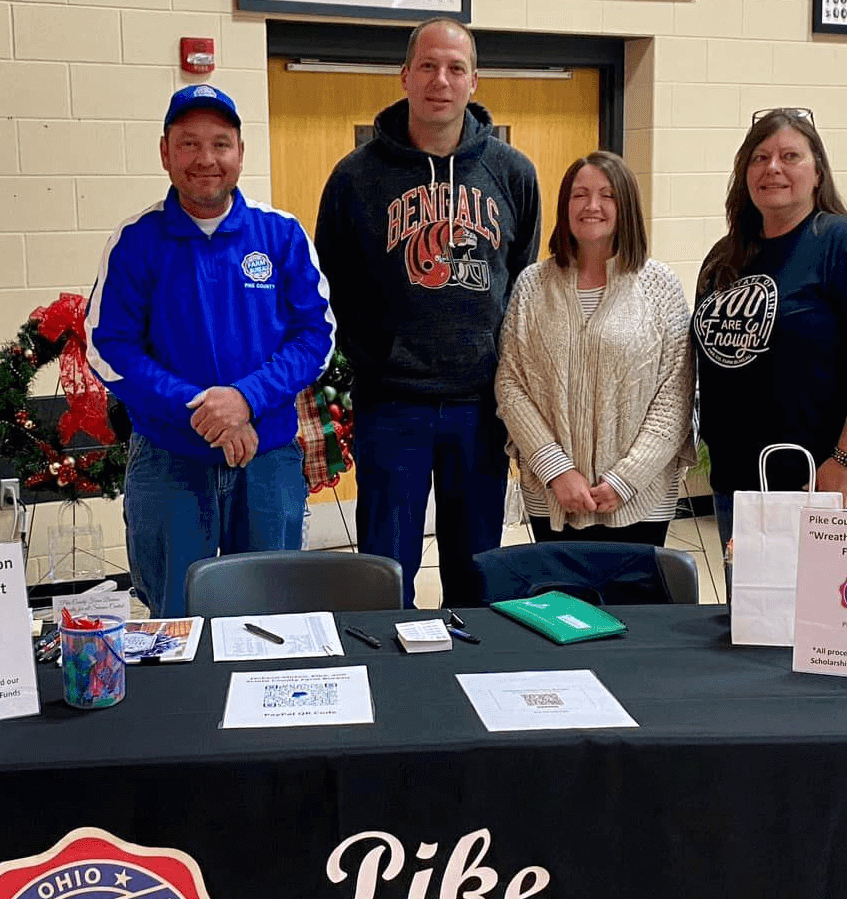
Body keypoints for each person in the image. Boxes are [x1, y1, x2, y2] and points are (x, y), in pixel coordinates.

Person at [315, 17, 540, 607]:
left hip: (480, 407)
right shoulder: (354, 177)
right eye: (428, 66)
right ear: (405, 75)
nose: (441, 80)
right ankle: (392, 684)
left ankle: (467, 685)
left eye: (456, 68)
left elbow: (520, 281)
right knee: (386, 574)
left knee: (476, 571)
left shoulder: (513, 173)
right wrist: (376, 360)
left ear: (473, 81)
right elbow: (334, 284)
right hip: (392, 405)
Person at [89, 85, 335, 618]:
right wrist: (206, 409)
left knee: (272, 612)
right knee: (175, 616)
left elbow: (317, 335)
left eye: (220, 144)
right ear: (165, 152)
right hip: (170, 459)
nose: (206, 159)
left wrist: (246, 401)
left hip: (267, 457)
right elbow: (108, 347)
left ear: (241, 152)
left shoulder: (282, 235)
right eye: (189, 144)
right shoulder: (136, 241)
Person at [692, 109, 847, 550]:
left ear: (817, 173)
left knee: (822, 617)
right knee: (750, 617)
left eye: (790, 156)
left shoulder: (846, 245)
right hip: (739, 485)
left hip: (819, 482)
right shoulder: (724, 257)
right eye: (759, 157)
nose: (773, 168)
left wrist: (845, 464)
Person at [494, 151, 692, 547]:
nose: (592, 206)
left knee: (632, 610)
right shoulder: (533, 285)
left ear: (627, 207)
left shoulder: (659, 286)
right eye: (579, 195)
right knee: (558, 608)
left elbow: (676, 397)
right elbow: (510, 383)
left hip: (640, 498)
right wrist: (556, 469)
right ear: (565, 205)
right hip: (553, 496)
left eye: (607, 195)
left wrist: (625, 479)